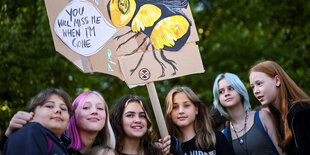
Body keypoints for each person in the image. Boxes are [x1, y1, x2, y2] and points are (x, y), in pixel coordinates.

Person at [1, 90, 116, 155]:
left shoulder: (105, 152)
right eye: (86, 107)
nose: (94, 112)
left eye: (100, 108)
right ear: (72, 116)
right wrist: (8, 136)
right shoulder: (48, 139)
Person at [213, 73, 283, 155]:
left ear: (240, 91)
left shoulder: (262, 116)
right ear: (218, 99)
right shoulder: (224, 134)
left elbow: (282, 151)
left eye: (231, 88)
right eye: (221, 92)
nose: (226, 93)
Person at [249, 60, 310, 154]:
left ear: (277, 80)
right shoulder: (279, 118)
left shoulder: (300, 112)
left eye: (259, 83)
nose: (255, 91)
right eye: (253, 87)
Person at [164, 86, 235, 155]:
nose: (181, 111)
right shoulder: (165, 147)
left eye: (186, 105)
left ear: (196, 109)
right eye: (175, 107)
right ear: (169, 113)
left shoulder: (216, 139)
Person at [3, 88, 73, 155]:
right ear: (32, 115)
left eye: (63, 108)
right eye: (49, 106)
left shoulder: (66, 146)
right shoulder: (32, 131)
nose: (58, 110)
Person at [110, 94, 174, 155]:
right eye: (130, 115)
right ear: (118, 120)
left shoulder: (158, 152)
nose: (137, 120)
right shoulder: (106, 152)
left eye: (142, 116)